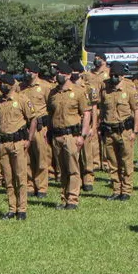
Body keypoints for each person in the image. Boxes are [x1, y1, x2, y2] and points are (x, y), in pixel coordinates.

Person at [0, 73, 37, 220]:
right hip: (3, 143)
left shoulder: (22, 99)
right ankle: (12, 208)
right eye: (0, 83)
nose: (1, 85)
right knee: (8, 177)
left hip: (18, 142)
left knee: (20, 176)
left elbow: (33, 119)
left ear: (11, 85)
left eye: (3, 83)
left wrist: (29, 139)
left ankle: (22, 209)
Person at [47, 62, 91, 210]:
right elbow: (50, 113)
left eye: (60, 72)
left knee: (73, 168)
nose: (57, 75)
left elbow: (86, 114)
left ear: (67, 75)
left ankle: (73, 199)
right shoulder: (53, 93)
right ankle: (64, 197)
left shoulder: (78, 91)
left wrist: (82, 136)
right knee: (62, 170)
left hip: (72, 135)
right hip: (57, 135)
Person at [100, 61, 138, 200]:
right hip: (109, 131)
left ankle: (127, 190)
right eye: (112, 75)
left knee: (126, 162)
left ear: (122, 76)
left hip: (124, 131)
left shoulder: (129, 88)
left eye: (116, 75)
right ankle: (116, 190)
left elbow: (136, 110)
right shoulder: (105, 87)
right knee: (112, 162)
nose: (113, 78)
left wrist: (135, 131)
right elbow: (101, 109)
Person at [20, 61, 52, 198]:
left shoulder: (45, 87)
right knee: (26, 157)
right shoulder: (21, 87)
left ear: (36, 73)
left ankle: (42, 187)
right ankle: (29, 185)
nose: (27, 74)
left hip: (40, 128)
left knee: (41, 157)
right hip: (25, 127)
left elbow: (51, 108)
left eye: (30, 71)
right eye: (25, 71)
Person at [81, 54, 107, 189]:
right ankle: (96, 163)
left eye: (99, 58)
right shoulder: (87, 75)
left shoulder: (108, 73)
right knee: (94, 138)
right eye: (95, 57)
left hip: (103, 108)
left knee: (105, 137)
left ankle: (106, 162)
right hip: (91, 108)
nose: (96, 60)